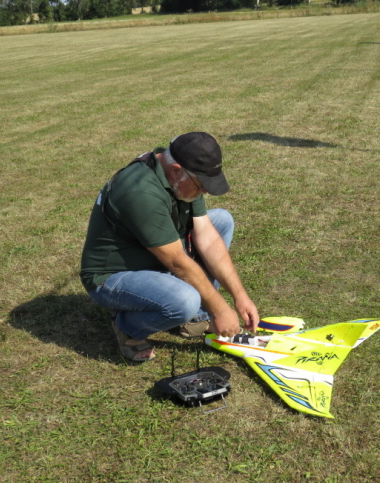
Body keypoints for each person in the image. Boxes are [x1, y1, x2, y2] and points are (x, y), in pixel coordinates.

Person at [80, 132, 259, 362]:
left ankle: (197, 317)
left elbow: (208, 238)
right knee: (184, 300)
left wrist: (240, 296)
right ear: (176, 171)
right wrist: (220, 309)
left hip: (153, 255)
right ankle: (127, 326)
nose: (204, 192)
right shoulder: (140, 192)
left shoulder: (184, 174)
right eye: (201, 186)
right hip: (114, 276)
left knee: (221, 220)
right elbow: (177, 262)